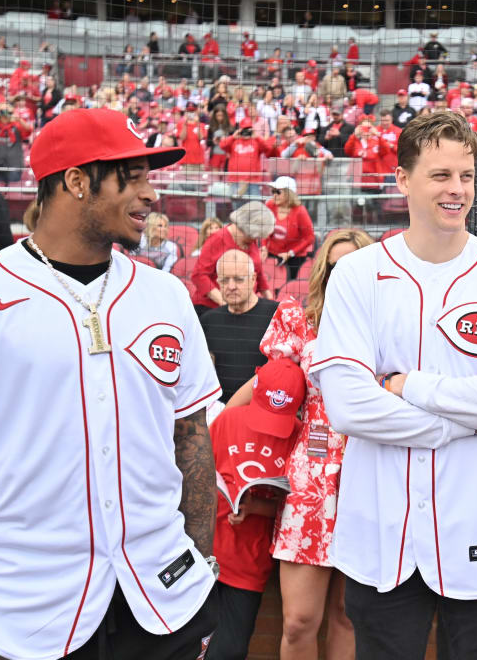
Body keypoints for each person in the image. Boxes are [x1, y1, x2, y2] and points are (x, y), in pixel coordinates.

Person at [0, 108, 221, 658]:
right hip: (28, 613)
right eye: (132, 176)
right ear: (76, 181)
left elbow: (192, 437)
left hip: (165, 602)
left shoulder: (167, 295)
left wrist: (201, 570)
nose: (150, 193)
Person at [310, 111, 477, 659]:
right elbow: (349, 406)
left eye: (467, 175)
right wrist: (469, 424)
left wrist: (409, 386)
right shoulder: (356, 274)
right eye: (440, 174)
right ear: (402, 180)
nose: (457, 190)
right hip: (382, 536)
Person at [246, 228, 372, 660]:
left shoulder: (394, 324)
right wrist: (218, 419)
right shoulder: (298, 319)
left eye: (352, 265)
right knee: (299, 620)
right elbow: (269, 384)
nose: (342, 274)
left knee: (350, 615)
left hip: (372, 471)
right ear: (322, 270)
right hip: (310, 480)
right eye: (334, 266)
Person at [205, 358, 306, 660]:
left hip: (250, 561)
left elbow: (299, 504)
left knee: (230, 649)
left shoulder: (297, 435)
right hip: (208, 548)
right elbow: (197, 470)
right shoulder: (228, 420)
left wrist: (255, 507)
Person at [200, 249, 279, 404]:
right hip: (219, 412)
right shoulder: (208, 320)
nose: (231, 286)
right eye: (224, 280)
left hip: (264, 409)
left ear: (253, 279)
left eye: (238, 279)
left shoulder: (276, 315)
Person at [190, 201, 274, 315]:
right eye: (255, 235)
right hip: (211, 309)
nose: (256, 239)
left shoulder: (251, 240)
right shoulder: (218, 239)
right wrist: (225, 304)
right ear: (246, 229)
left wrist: (271, 302)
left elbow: (258, 273)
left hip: (242, 308)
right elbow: (199, 275)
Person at [263, 177, 315, 283]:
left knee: (291, 287)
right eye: (273, 191)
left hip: (294, 257)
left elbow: (309, 238)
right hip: (273, 254)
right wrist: (264, 247)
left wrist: (290, 253)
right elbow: (264, 228)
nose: (274, 195)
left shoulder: (300, 211)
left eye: (278, 192)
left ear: (288, 193)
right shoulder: (269, 205)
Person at [0, 99, 34, 185]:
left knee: (14, 188)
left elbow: (28, 130)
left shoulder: (16, 125)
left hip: (15, 163)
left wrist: (18, 118)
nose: (5, 113)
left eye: (8, 111)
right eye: (2, 111)